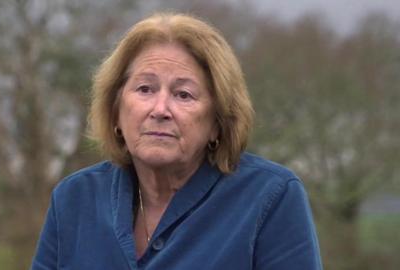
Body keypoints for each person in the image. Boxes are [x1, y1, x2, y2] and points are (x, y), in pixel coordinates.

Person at [31, 12, 323, 270]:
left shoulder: (270, 198)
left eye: (183, 94)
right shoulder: (73, 199)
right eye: (145, 89)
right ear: (116, 110)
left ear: (218, 122)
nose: (159, 110)